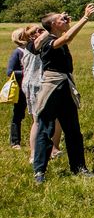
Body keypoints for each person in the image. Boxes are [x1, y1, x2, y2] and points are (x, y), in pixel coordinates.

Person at [33, 4, 94, 183]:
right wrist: (85, 18)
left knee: (73, 130)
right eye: (61, 19)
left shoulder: (55, 36)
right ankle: (39, 171)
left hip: (65, 87)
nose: (65, 20)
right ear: (53, 25)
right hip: (52, 88)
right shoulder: (47, 42)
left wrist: (64, 21)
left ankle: (78, 167)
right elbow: (67, 37)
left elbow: (65, 34)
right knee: (45, 129)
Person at [21, 24, 62, 163]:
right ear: (31, 36)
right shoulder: (31, 46)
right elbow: (40, 41)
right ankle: (34, 153)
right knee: (38, 120)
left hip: (49, 82)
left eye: (41, 29)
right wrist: (49, 29)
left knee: (56, 118)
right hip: (35, 85)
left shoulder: (47, 43)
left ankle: (54, 149)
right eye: (37, 31)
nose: (41, 32)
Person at [7, 29, 27, 149]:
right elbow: (10, 72)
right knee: (18, 115)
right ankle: (15, 142)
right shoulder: (17, 52)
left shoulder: (31, 50)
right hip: (20, 89)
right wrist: (25, 72)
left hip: (31, 87)